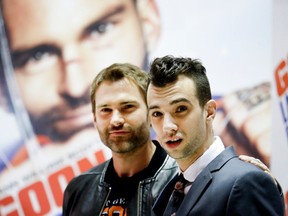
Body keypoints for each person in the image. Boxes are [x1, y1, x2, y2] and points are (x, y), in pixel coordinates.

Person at [146, 55, 284, 215]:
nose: (167, 126)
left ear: (209, 111)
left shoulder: (246, 181)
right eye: (157, 113)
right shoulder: (170, 189)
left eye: (181, 109)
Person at [62, 63, 178, 215]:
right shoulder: (78, 190)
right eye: (105, 110)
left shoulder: (182, 180)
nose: (115, 120)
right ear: (95, 119)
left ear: (152, 114)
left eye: (128, 107)